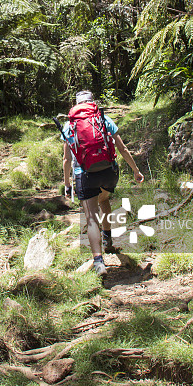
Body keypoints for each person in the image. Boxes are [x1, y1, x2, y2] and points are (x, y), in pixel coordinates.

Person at [62, 90, 144, 277]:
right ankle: (108, 240)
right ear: (92, 102)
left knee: (91, 217)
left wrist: (67, 185)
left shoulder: (70, 125)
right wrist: (136, 170)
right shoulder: (103, 119)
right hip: (108, 172)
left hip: (84, 175)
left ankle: (99, 262)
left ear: (77, 105)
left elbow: (66, 160)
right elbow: (122, 148)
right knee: (104, 200)